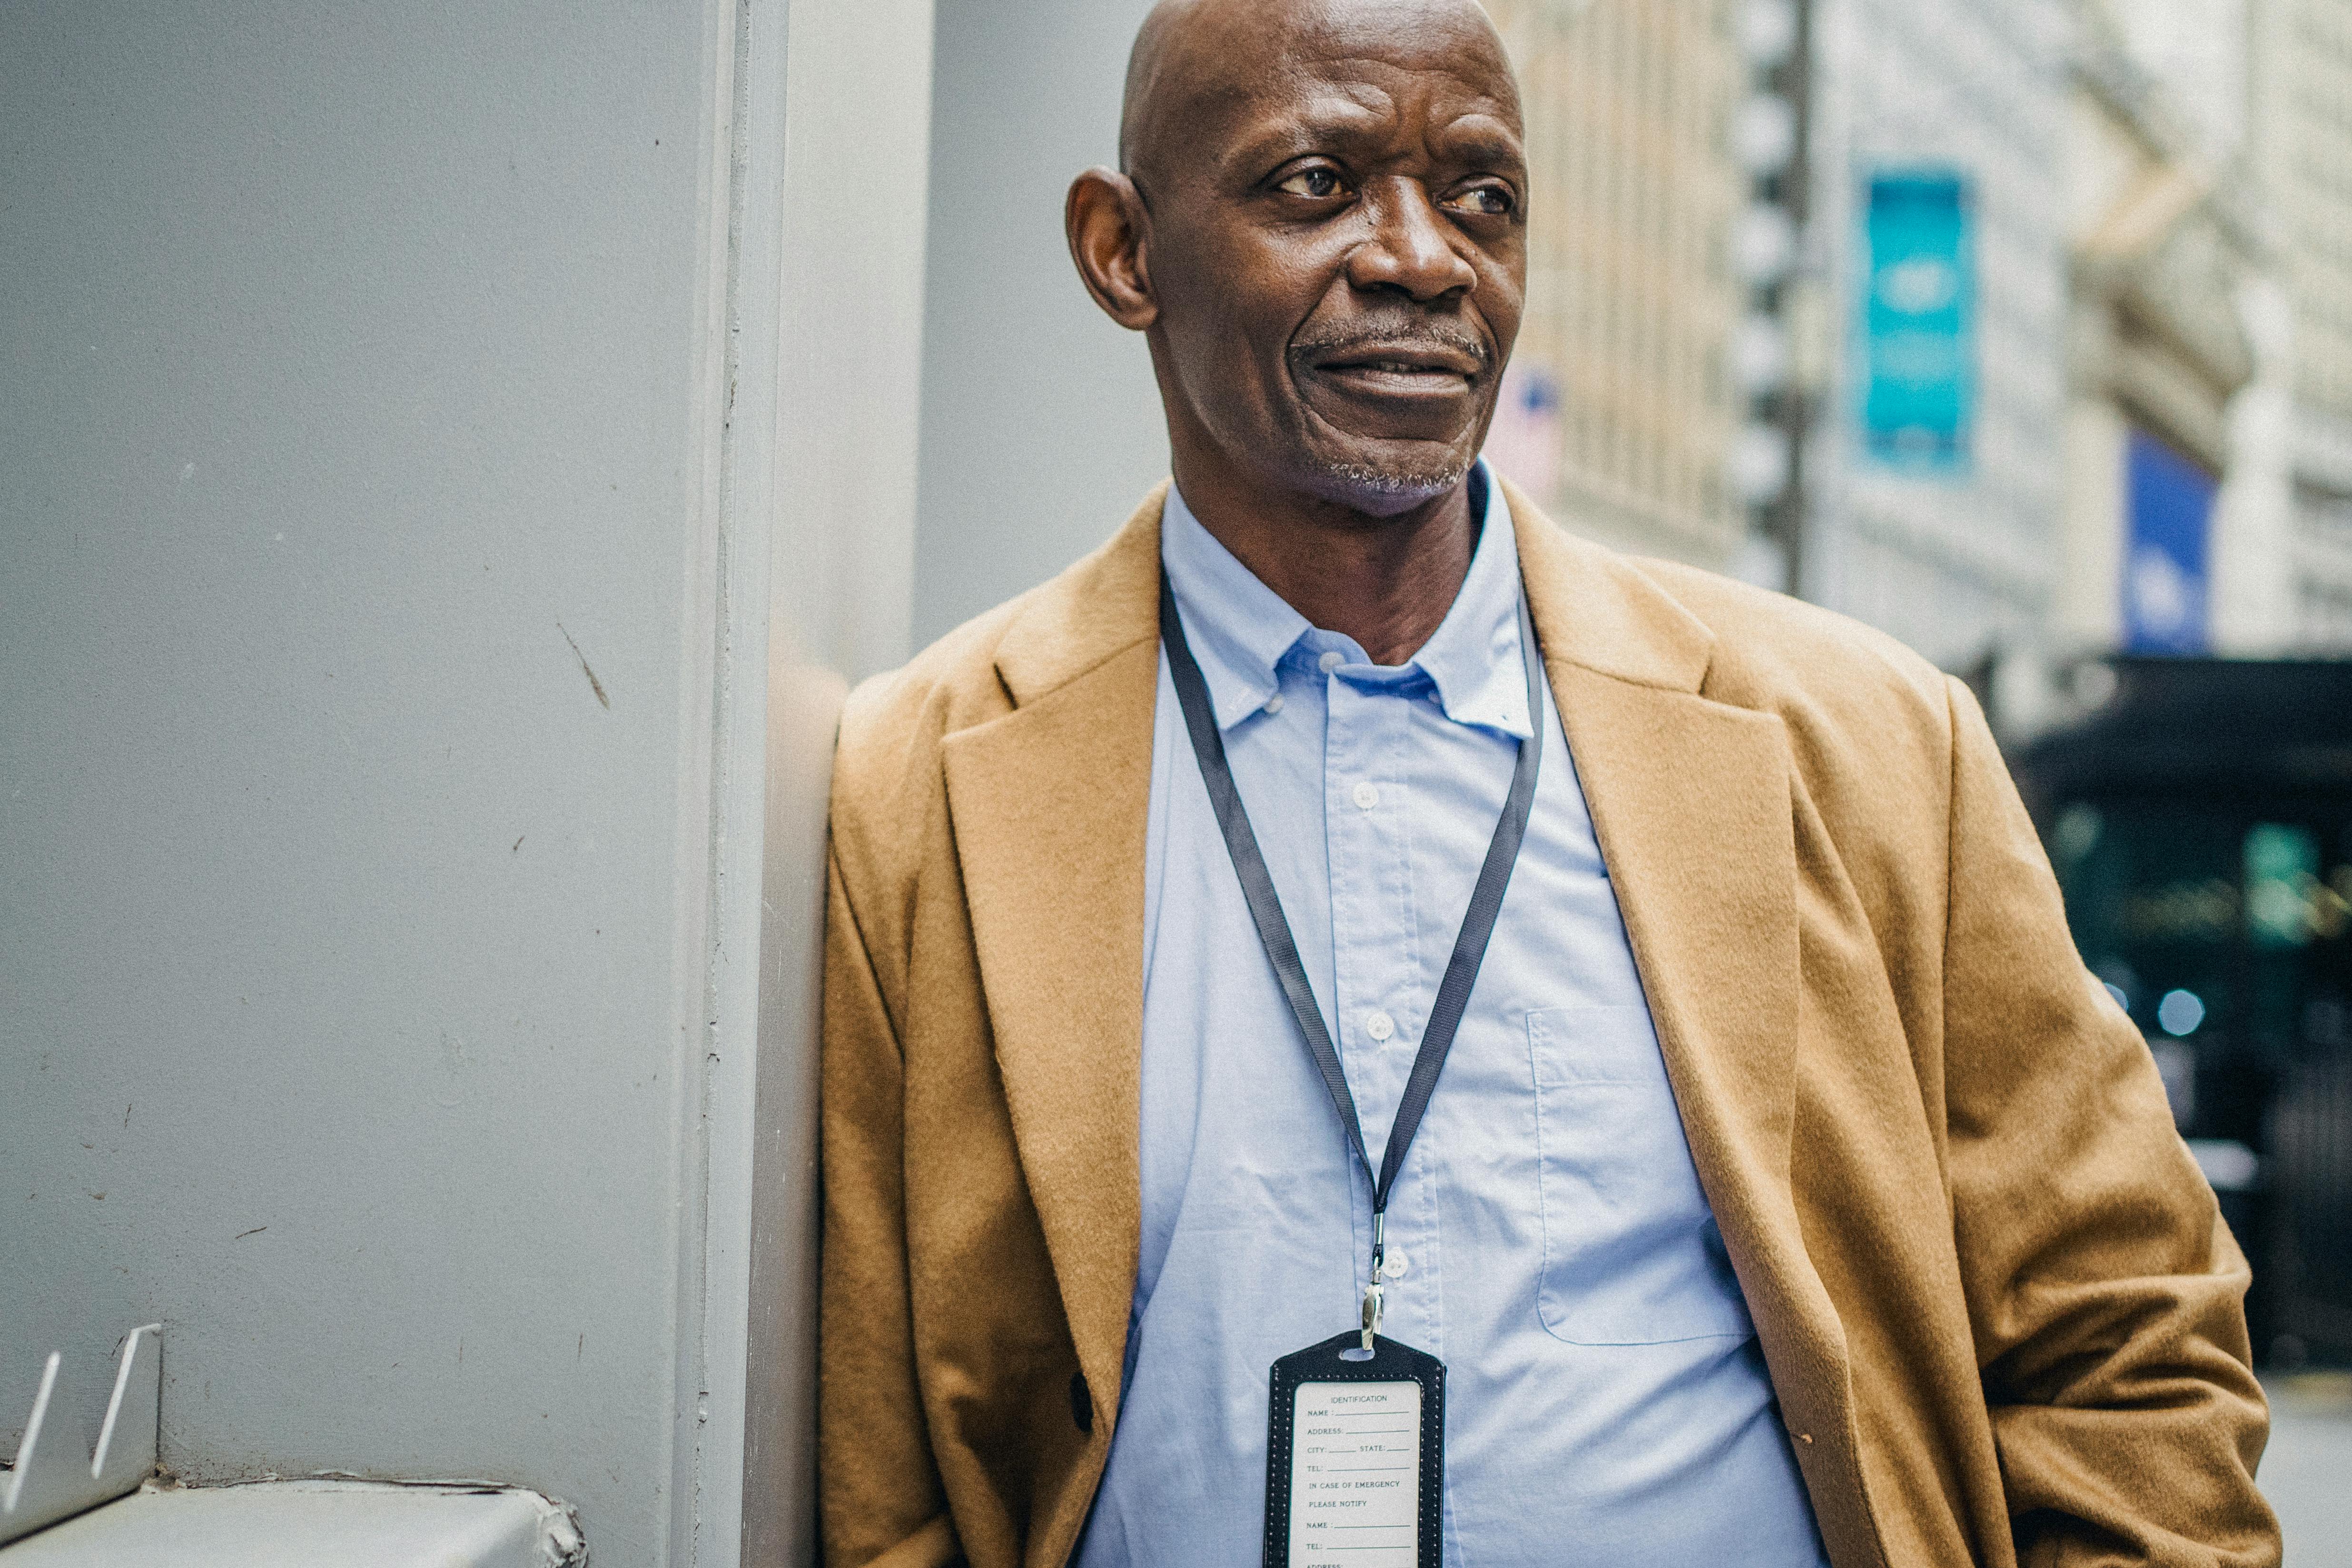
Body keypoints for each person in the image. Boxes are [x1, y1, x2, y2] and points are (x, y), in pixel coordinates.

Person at [817, 0, 2279, 1563]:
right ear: (1124, 251)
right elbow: (882, 1464)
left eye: (1480, 194)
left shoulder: (1871, 744)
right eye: (1316, 185)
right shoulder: (926, 789)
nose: (1423, 258)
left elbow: (2127, 1328)